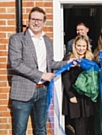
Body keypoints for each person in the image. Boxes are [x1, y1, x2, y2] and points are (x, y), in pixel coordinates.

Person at [8, 7, 75, 135]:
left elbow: (50, 63)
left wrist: (68, 63)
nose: (36, 22)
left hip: (43, 91)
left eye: (39, 20)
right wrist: (42, 74)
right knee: (19, 130)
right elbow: (16, 63)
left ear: (44, 22)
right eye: (33, 19)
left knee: (41, 130)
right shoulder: (17, 39)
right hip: (23, 92)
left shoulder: (47, 41)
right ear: (29, 21)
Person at [62, 35, 94, 135]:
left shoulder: (90, 58)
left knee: (86, 124)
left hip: (86, 97)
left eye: (84, 46)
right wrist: (71, 95)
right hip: (74, 94)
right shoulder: (69, 58)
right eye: (79, 46)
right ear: (74, 46)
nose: (81, 48)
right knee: (76, 124)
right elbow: (65, 77)